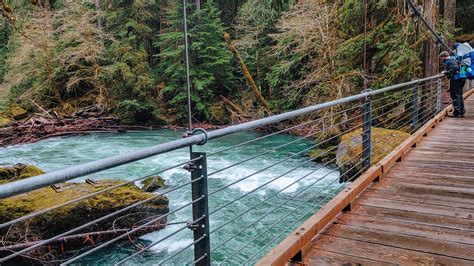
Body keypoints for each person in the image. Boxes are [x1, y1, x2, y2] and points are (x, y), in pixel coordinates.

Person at [440, 51, 466, 117]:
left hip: (456, 80)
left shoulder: (449, 60)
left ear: (444, 56)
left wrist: (446, 72)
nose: (441, 59)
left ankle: (457, 113)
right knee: (459, 95)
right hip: (461, 78)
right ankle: (461, 111)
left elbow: (454, 68)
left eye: (441, 58)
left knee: (455, 95)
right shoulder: (454, 59)